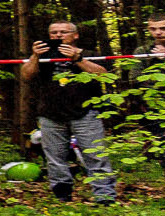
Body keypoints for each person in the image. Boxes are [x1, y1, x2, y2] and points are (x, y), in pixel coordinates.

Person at [20, 20, 114, 204]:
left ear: (75, 35)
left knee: (96, 155)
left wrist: (78, 59)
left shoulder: (90, 54)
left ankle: (104, 196)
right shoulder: (44, 55)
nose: (58, 35)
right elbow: (26, 75)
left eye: (63, 32)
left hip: (85, 113)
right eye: (54, 32)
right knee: (55, 158)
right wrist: (35, 56)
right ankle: (61, 194)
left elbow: (104, 75)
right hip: (51, 113)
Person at [130, 13, 165, 203]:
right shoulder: (143, 51)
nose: (158, 32)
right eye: (153, 29)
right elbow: (135, 79)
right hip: (159, 109)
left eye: (163, 28)